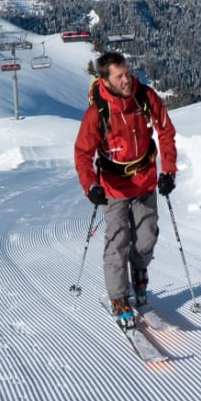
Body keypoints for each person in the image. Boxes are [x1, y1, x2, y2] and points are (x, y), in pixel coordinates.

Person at [74, 51, 178, 330]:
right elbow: (83, 152)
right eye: (119, 76)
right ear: (105, 81)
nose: (127, 79)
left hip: (145, 179)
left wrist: (168, 170)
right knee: (118, 240)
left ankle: (139, 272)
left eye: (128, 72)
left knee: (146, 238)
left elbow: (166, 130)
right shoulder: (97, 112)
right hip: (114, 187)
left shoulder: (144, 97)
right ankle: (119, 298)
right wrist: (90, 186)